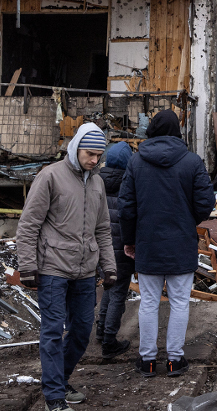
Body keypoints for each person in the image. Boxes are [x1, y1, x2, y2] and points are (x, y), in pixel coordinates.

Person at [17, 123, 117, 411]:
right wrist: (27, 266)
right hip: (52, 270)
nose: (94, 160)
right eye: (90, 154)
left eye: (99, 155)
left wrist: (108, 267)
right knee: (51, 331)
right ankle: (54, 398)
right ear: (75, 148)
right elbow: (28, 226)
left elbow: (103, 229)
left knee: (83, 329)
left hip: (85, 271)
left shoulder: (97, 182)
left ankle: (59, 380)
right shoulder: (50, 176)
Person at [119, 110, 215, 378]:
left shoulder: (136, 163)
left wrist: (129, 239)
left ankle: (147, 361)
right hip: (181, 243)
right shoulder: (192, 162)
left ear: (151, 130)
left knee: (148, 302)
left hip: (147, 243)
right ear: (177, 132)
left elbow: (127, 207)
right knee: (180, 303)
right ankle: (175, 360)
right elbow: (206, 204)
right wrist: (187, 220)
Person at [95, 141, 134, 359]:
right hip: (122, 248)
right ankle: (110, 340)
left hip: (102, 248)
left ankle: (101, 329)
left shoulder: (96, 182)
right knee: (119, 292)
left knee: (108, 287)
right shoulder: (128, 185)